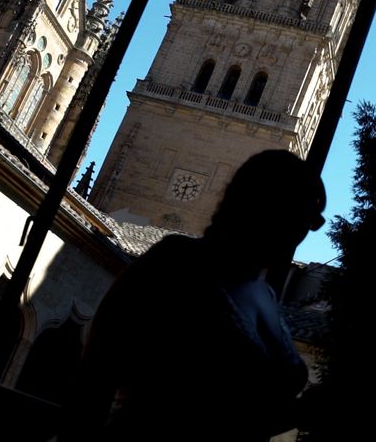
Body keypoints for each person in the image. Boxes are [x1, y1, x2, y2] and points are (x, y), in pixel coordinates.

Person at [58, 149, 327, 442]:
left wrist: (304, 410)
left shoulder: (266, 294)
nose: (301, 234)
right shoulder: (176, 262)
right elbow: (97, 376)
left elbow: (241, 423)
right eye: (299, 218)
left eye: (311, 223)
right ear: (259, 206)